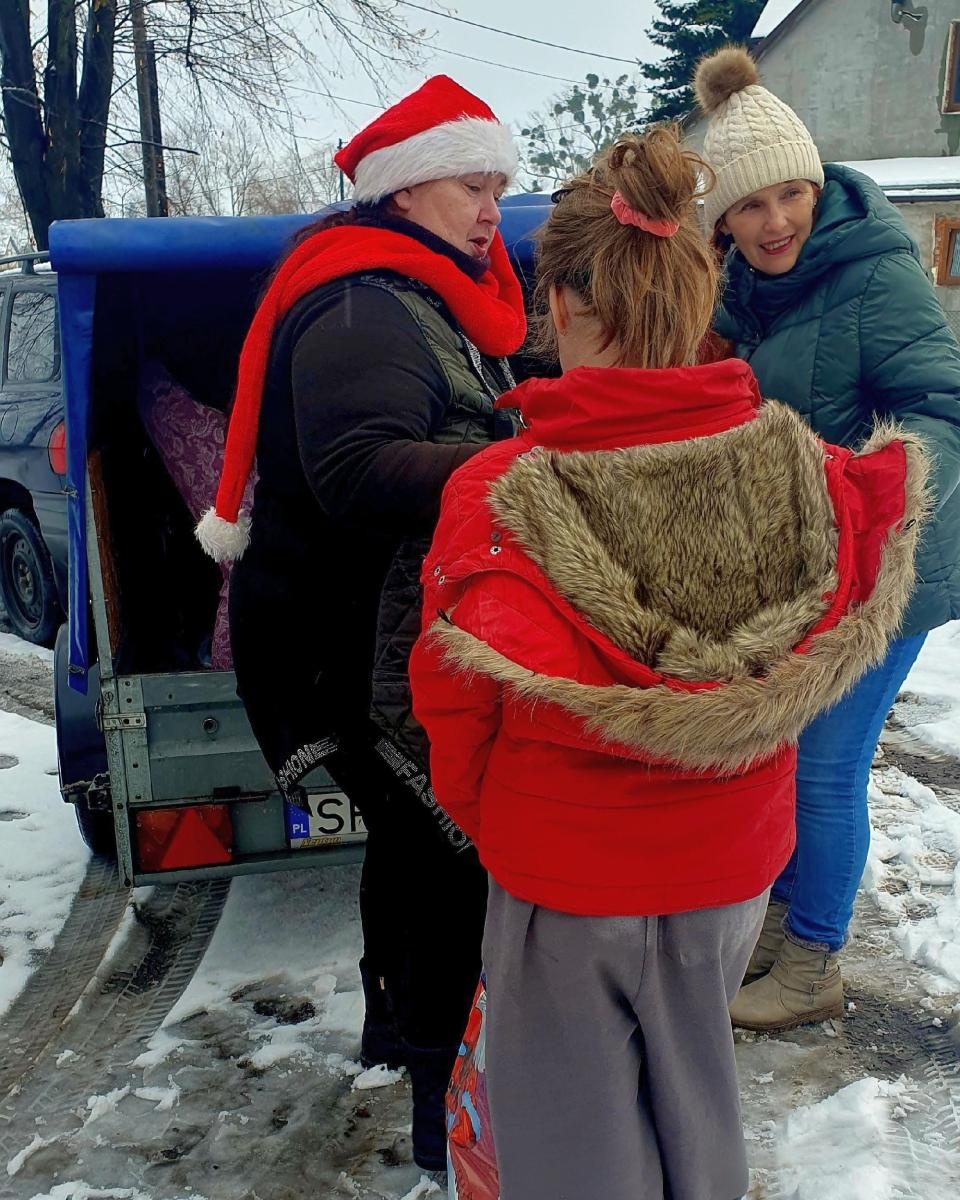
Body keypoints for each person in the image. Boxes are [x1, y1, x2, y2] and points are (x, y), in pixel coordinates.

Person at [408, 124, 927, 1200]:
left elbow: (451, 703)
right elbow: (815, 650)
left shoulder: (501, 492)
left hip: (562, 870)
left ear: (556, 307)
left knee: (571, 1145)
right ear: (700, 302)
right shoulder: (802, 464)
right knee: (698, 1087)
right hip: (733, 860)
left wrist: (500, 820)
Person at [194, 75, 527, 1170]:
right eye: (474, 184)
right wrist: (536, 469)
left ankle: (404, 1042)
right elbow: (356, 470)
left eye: (500, 185)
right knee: (449, 865)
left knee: (416, 849)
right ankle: (444, 1119)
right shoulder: (362, 306)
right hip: (350, 650)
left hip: (370, 629)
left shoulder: (420, 289)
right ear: (406, 185)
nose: (493, 207)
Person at [692, 46, 960, 1033]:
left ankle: (814, 965)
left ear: (817, 188)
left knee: (824, 762)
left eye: (792, 196)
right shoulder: (741, 292)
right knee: (780, 751)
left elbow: (942, 407)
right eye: (752, 206)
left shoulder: (874, 272)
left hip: (895, 564)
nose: (776, 222)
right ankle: (778, 923)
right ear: (723, 218)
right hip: (809, 571)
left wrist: (867, 483)